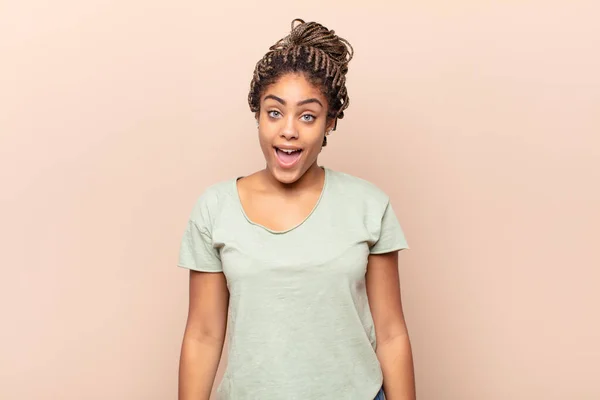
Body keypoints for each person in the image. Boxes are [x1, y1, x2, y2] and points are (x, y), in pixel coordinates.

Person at [177, 18, 416, 400]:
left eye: (308, 115)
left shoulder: (369, 206)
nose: (289, 130)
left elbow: (391, 334)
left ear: (329, 124)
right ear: (257, 114)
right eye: (275, 112)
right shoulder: (215, 209)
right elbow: (203, 335)